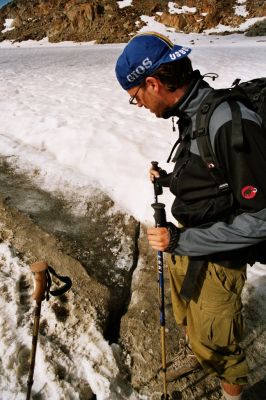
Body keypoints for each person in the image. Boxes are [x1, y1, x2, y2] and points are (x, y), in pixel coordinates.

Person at [115, 32, 266, 400]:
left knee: (220, 347)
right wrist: (168, 179)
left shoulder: (227, 122)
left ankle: (230, 390)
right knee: (191, 321)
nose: (142, 106)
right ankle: (201, 352)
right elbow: (212, 175)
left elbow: (261, 218)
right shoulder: (192, 112)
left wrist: (181, 240)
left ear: (153, 83)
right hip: (190, 245)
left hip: (218, 260)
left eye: (137, 98)